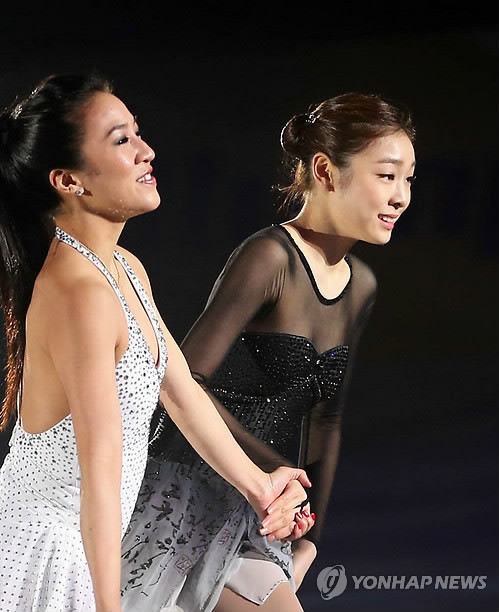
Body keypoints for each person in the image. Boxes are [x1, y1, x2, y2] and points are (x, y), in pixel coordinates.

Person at [0, 74, 309, 612]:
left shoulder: (121, 267)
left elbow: (180, 390)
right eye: (121, 140)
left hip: (99, 535)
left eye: (137, 133)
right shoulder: (77, 294)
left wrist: (261, 489)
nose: (147, 151)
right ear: (69, 180)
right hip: (56, 552)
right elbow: (100, 469)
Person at [121, 92, 416, 611]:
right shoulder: (269, 257)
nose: (401, 197)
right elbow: (183, 383)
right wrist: (274, 479)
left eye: (409, 179)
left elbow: (326, 418)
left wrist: (311, 538)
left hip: (265, 511)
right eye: (387, 176)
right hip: (187, 491)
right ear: (325, 171)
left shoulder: (362, 285)